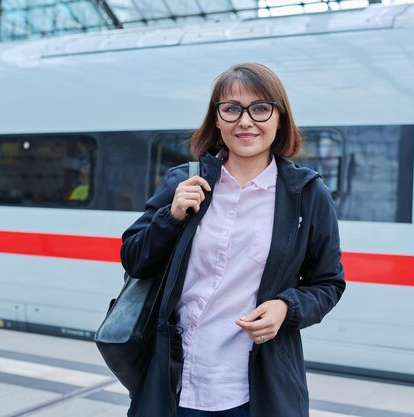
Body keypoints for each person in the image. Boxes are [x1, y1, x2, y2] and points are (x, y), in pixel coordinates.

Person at [120, 63, 345, 417]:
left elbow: (328, 282)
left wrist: (287, 307)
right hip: (175, 380)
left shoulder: (306, 194)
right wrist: (172, 216)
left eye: (259, 108)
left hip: (255, 388)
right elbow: (134, 258)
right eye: (231, 109)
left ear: (280, 118)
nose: (245, 121)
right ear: (217, 119)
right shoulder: (184, 181)